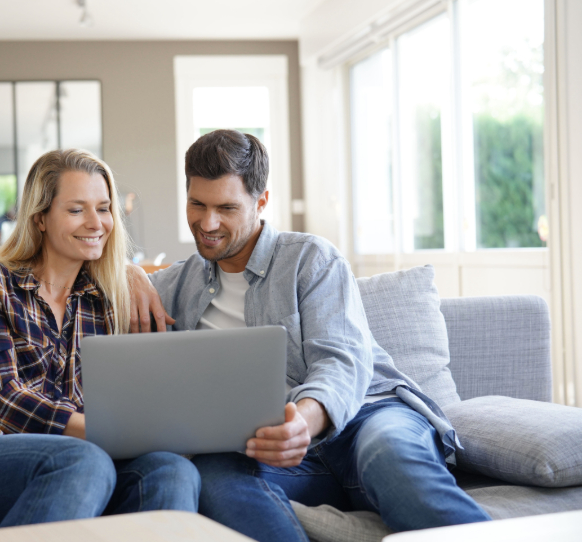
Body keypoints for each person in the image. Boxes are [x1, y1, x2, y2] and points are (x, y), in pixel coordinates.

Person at [127, 130, 491, 542]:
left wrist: (303, 419)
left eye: (226, 208)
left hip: (365, 417)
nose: (207, 224)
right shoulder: (174, 286)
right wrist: (127, 271)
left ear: (261, 201)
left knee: (390, 456)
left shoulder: (310, 258)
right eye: (197, 204)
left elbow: (341, 361)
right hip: (275, 454)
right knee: (211, 477)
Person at [0, 149, 200, 528]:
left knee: (172, 471)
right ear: (39, 218)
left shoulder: (109, 297)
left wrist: (131, 271)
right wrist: (111, 434)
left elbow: (137, 396)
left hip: (85, 460)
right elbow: (2, 398)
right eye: (76, 210)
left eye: (104, 208)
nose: (96, 223)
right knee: (83, 460)